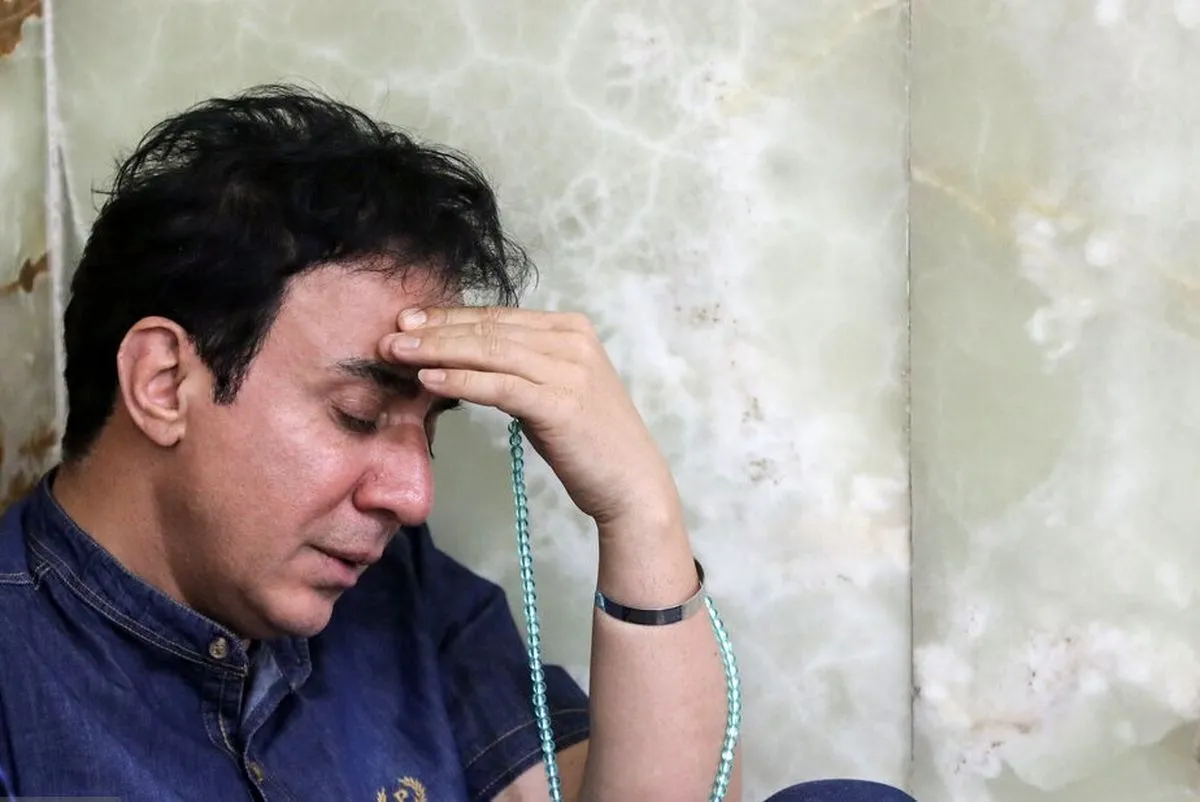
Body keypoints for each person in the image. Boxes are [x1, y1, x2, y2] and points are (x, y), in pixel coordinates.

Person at [0, 84, 736, 801]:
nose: (414, 498)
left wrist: (641, 512)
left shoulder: (403, 593)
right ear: (163, 383)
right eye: (357, 413)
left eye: (430, 427)